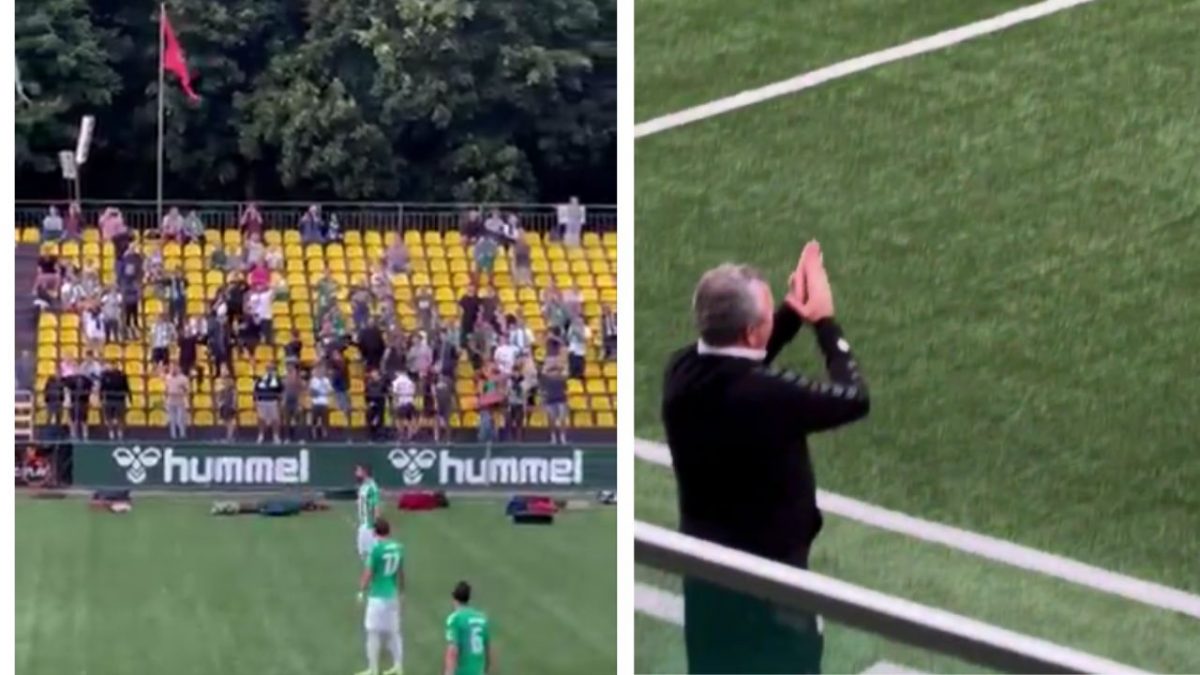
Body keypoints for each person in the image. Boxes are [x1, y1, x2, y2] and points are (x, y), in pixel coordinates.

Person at [662, 243, 870, 675]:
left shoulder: (679, 371)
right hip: (774, 584)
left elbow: (736, 361)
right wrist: (826, 323)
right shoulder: (764, 395)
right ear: (754, 331)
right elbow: (853, 398)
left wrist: (791, 311)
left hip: (706, 577)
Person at [357, 516, 405, 675]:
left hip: (377, 595)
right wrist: (402, 591)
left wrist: (361, 590)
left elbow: (368, 573)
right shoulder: (399, 547)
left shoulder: (376, 550)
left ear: (375, 532)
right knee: (394, 632)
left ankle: (373, 669)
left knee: (373, 632)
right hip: (392, 594)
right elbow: (400, 573)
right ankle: (398, 666)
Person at [444, 581, 491, 675]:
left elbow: (453, 651)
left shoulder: (455, 619)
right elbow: (487, 650)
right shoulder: (482, 619)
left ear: (454, 599)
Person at [252, 362, 284, 444]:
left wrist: (280, 401)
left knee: (275, 420)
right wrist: (255, 401)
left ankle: (276, 436)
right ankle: (261, 435)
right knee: (261, 419)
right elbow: (255, 391)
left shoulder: (277, 379)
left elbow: (281, 391)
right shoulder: (260, 379)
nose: (270, 371)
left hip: (273, 402)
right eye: (269, 369)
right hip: (262, 401)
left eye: (272, 369)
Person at [98, 362, 131, 440]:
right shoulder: (105, 376)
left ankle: (120, 433)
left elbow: (127, 388)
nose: (113, 367)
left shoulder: (122, 375)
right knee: (109, 418)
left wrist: (129, 399)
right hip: (109, 400)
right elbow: (102, 388)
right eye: (112, 365)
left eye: (115, 365)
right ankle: (111, 433)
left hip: (120, 400)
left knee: (120, 418)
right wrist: (100, 398)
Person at [355, 464, 381, 560]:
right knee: (363, 555)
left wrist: (376, 525)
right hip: (363, 525)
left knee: (371, 555)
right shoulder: (363, 486)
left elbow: (376, 505)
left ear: (364, 473)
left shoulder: (371, 487)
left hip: (369, 526)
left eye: (358, 471)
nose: (356, 473)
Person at [164, 364, 190, 440]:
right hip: (170, 399)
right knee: (172, 419)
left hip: (179, 399)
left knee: (180, 419)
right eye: (172, 368)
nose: (173, 370)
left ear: (179, 369)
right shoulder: (168, 377)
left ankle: (182, 435)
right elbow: (166, 388)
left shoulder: (183, 378)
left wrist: (183, 388)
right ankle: (173, 435)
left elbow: (187, 390)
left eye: (175, 368)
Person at [391, 370, 417, 441]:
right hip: (410, 403)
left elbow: (395, 393)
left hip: (401, 403)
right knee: (409, 419)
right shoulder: (410, 382)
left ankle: (401, 435)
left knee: (399, 419)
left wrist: (395, 403)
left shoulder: (396, 382)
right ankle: (410, 435)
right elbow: (414, 393)